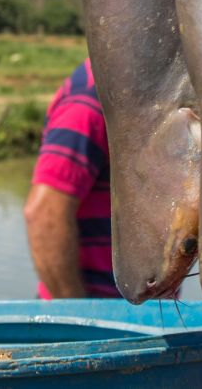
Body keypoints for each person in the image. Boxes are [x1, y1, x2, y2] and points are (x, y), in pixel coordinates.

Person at [23, 59, 121, 299]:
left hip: (133, 313)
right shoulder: (90, 102)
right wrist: (78, 315)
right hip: (99, 316)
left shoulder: (132, 90)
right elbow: (45, 216)